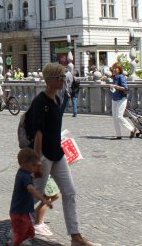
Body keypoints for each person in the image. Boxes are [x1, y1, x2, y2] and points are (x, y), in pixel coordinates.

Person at [29, 62, 95, 245]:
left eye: (62, 77)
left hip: (58, 153)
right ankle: (18, 229)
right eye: (59, 77)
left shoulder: (57, 100)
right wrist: (37, 162)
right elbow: (38, 133)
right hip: (44, 156)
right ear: (49, 80)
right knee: (36, 195)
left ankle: (75, 236)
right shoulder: (40, 102)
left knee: (70, 192)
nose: (62, 80)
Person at [9, 148, 53, 246]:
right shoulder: (24, 176)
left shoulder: (24, 173)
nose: (34, 168)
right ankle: (15, 241)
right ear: (24, 163)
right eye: (33, 165)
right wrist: (43, 200)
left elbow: (36, 175)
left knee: (29, 232)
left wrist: (38, 168)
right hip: (19, 212)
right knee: (20, 236)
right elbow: (31, 189)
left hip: (23, 211)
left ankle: (14, 236)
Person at [106, 62, 135, 140]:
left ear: (119, 69)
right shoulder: (115, 77)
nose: (114, 69)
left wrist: (115, 86)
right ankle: (118, 135)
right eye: (114, 68)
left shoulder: (121, 77)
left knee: (119, 116)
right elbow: (115, 88)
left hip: (121, 99)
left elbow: (125, 88)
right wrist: (112, 87)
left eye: (116, 68)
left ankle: (132, 129)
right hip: (114, 98)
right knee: (115, 118)